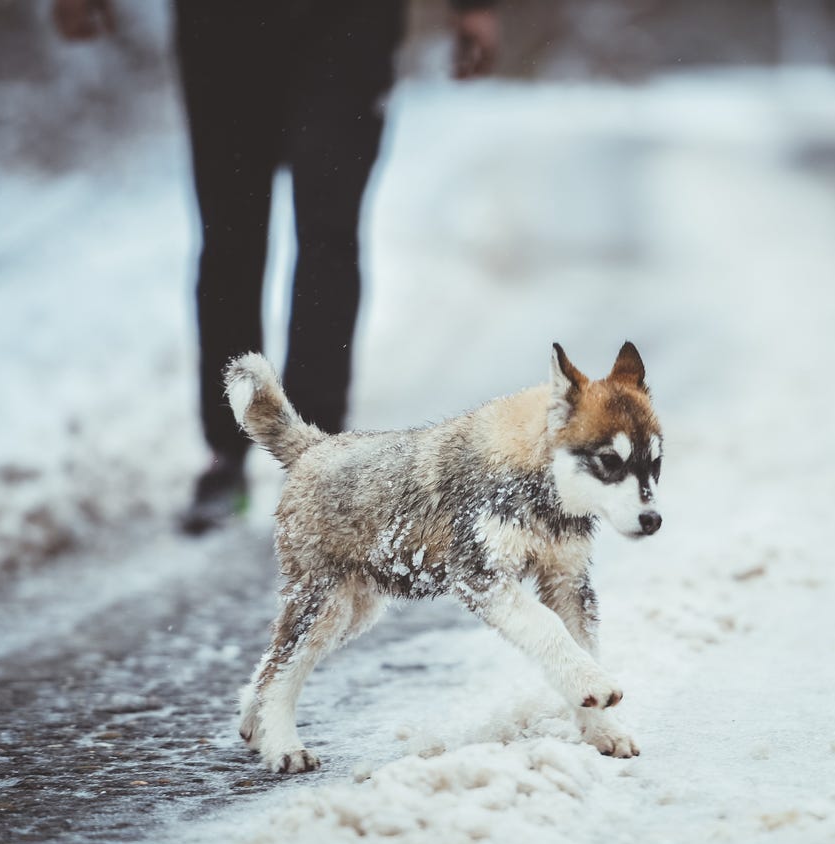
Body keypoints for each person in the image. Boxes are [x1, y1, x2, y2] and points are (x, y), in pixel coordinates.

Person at [53, 0, 500, 533]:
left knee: (328, 234)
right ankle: (228, 450)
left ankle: (316, 457)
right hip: (221, 29)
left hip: (348, 25)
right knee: (229, 242)